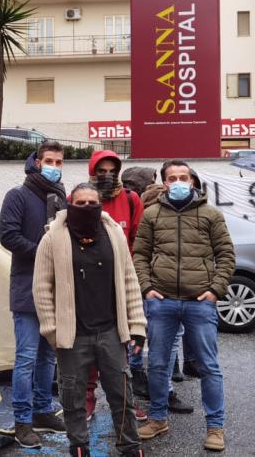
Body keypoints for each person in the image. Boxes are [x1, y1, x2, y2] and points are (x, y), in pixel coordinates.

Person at [33, 183, 147, 457]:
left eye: (91, 203)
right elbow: (41, 288)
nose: (86, 208)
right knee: (72, 398)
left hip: (110, 330)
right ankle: (79, 446)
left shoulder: (114, 233)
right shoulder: (52, 239)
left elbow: (129, 280)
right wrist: (52, 331)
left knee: (121, 394)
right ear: (70, 205)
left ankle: (130, 446)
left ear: (100, 205)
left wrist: (137, 325)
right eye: (80, 203)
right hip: (73, 334)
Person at [133, 159, 235, 452]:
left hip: (199, 303)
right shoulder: (152, 214)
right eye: (172, 177)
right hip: (161, 301)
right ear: (164, 183)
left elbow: (226, 255)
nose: (178, 182)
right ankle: (157, 418)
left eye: (183, 177)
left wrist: (215, 290)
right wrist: (147, 288)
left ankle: (215, 427)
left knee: (208, 366)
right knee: (158, 364)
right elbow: (140, 255)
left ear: (192, 181)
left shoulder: (211, 214)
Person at [0, 141, 68, 448]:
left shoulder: (62, 197)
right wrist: (44, 252)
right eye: (48, 160)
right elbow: (8, 235)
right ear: (37, 162)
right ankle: (22, 421)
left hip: (57, 290)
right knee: (26, 357)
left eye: (59, 161)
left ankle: (42, 410)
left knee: (48, 356)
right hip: (27, 288)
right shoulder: (17, 196)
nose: (54, 165)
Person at [85, 152, 148, 420]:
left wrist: (131, 274)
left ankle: (125, 401)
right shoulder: (83, 198)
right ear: (93, 171)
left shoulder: (132, 200)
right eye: (101, 170)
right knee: (86, 345)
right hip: (88, 284)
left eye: (112, 170)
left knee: (121, 344)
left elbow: (139, 240)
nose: (107, 175)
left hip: (120, 284)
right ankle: (87, 398)